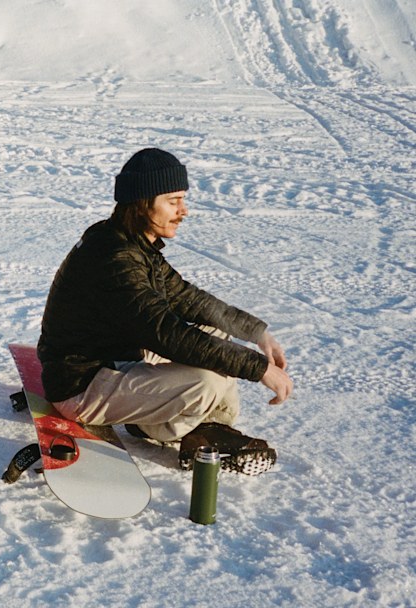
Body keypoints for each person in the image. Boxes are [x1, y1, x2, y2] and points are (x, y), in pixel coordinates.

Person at [36, 147, 293, 475]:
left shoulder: (128, 241)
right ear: (142, 202)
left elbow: (189, 300)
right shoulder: (116, 259)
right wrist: (258, 369)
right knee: (206, 382)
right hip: (82, 384)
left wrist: (257, 333)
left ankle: (205, 429)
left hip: (116, 359)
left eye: (182, 200)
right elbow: (166, 335)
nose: (183, 211)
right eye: (173, 201)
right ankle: (171, 428)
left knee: (216, 333)